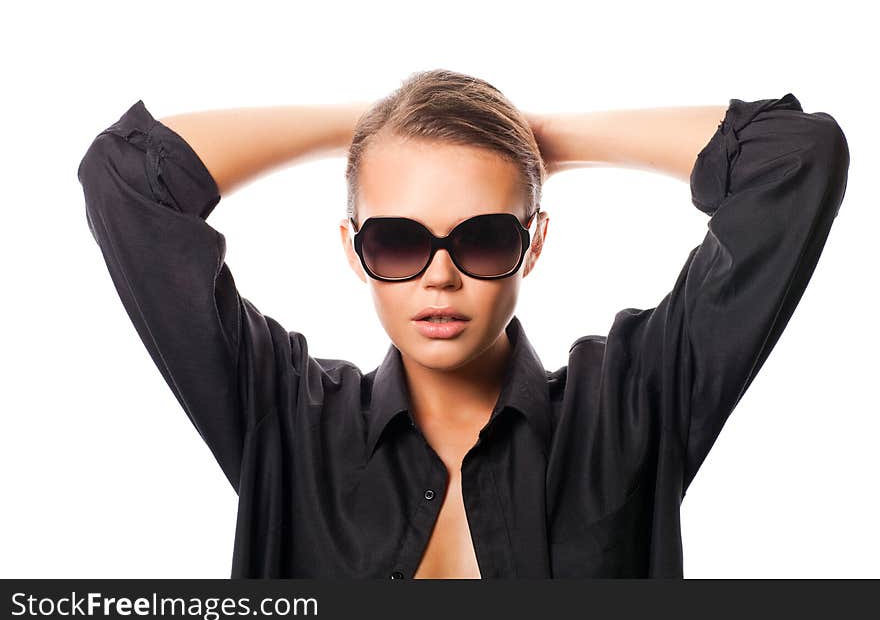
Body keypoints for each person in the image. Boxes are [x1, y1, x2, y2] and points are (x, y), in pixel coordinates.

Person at [76, 69, 849, 578]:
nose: (439, 275)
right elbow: (124, 178)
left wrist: (541, 138)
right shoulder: (284, 420)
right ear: (354, 249)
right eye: (398, 239)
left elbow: (797, 159)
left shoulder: (633, 405)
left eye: (482, 236)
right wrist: (373, 128)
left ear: (533, 243)